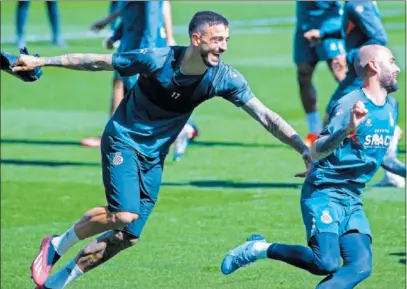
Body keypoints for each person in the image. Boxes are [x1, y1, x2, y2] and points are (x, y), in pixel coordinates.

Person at [12, 11, 312, 289]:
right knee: (125, 214)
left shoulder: (223, 78)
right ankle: (56, 245)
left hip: (154, 158)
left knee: (127, 238)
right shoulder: (159, 59)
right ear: (197, 39)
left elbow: (266, 116)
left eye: (226, 40)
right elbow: (98, 61)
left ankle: (56, 283)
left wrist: (302, 147)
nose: (223, 47)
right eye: (217, 40)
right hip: (123, 140)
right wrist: (43, 62)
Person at [221, 45, 406, 289]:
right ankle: (259, 248)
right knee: (326, 263)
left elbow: (381, 157)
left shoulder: (391, 107)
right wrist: (347, 129)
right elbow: (317, 149)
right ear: (373, 65)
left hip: (352, 198)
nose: (398, 68)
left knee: (360, 266)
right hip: (325, 192)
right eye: (391, 62)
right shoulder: (349, 104)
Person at [304, 0, 404, 187]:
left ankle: (328, 177)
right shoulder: (353, 3)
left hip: (362, 73)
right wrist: (323, 33)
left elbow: (379, 38)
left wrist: (350, 57)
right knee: (338, 119)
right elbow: (353, 31)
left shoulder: (357, 3)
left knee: (332, 117)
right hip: (357, 72)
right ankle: (390, 173)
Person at [82, 1, 180, 148]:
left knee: (135, 87)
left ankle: (170, 129)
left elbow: (152, 17)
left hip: (141, 44)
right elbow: (131, 8)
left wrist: (147, 51)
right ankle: (116, 133)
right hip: (132, 40)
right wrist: (117, 34)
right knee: (122, 83)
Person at [294, 1, 346, 147]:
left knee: (342, 76)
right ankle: (314, 131)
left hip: (328, 22)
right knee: (303, 75)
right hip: (304, 22)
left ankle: (362, 125)